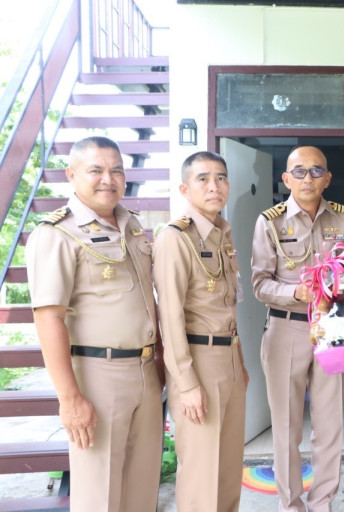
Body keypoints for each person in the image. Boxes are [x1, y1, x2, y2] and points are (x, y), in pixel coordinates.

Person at [26, 136, 163, 511]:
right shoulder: (56, 233)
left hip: (145, 371)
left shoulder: (131, 225)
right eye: (96, 170)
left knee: (142, 492)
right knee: (98, 496)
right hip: (98, 375)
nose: (108, 179)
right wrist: (70, 399)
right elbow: (48, 318)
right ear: (71, 175)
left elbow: (145, 296)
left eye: (117, 170)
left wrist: (160, 358)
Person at [251, 145, 344, 512]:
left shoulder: (343, 220)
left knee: (329, 427)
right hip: (287, 330)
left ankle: (322, 502)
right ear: (286, 178)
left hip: (332, 330)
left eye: (316, 171)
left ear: (328, 178)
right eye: (299, 171)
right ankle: (291, 504)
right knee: (286, 427)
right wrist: (295, 292)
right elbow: (259, 284)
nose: (307, 178)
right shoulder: (270, 222)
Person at [153, 151, 248, 511]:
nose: (214, 186)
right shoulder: (176, 237)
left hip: (229, 359)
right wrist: (187, 383)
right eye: (203, 179)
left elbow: (228, 306)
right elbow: (170, 316)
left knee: (227, 470)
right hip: (198, 362)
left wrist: (240, 363)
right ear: (185, 189)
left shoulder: (222, 233)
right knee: (201, 474)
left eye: (221, 178)